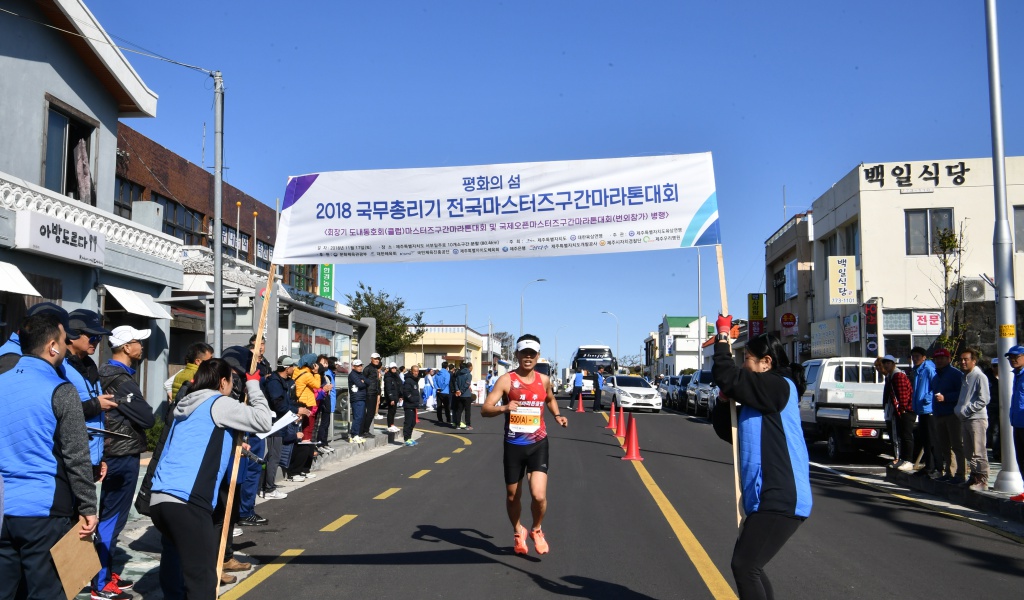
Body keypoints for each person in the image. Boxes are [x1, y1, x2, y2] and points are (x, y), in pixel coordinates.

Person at [149, 358, 272, 600]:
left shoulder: (185, 406)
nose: (232, 387)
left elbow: (197, 441)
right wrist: (253, 386)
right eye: (231, 382)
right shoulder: (219, 402)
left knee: (174, 571)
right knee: (202, 579)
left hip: (161, 498)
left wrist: (233, 444)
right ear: (222, 382)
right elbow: (263, 420)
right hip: (188, 501)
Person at [709, 318, 811, 600]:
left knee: (745, 566)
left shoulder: (779, 386)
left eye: (747, 359)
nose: (743, 365)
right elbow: (728, 431)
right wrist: (723, 401)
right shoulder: (760, 398)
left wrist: (722, 337)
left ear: (766, 363)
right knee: (751, 566)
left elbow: (728, 375)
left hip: (781, 494)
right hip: (765, 495)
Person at [0, 313, 98, 599]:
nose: (67, 346)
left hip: (4, 507)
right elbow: (76, 455)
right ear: (52, 346)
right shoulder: (61, 389)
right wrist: (88, 507)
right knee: (47, 592)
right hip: (44, 509)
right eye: (64, 340)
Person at [481, 334, 567, 556]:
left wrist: (557, 415)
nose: (528, 357)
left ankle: (537, 529)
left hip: (538, 444)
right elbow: (485, 409)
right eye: (524, 353)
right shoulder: (506, 380)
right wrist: (504, 407)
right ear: (517, 355)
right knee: (513, 496)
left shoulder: (544, 380)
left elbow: (550, 399)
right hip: (514, 446)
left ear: (538, 356)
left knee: (539, 495)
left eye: (532, 354)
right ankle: (518, 531)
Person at [95, 326, 156, 599]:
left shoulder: (104, 373)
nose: (142, 346)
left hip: (112, 452)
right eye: (138, 342)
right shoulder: (121, 380)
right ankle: (100, 582)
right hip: (120, 454)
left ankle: (106, 573)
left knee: (111, 516)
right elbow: (148, 418)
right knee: (112, 518)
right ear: (126, 347)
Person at [64, 309, 115, 482]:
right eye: (93, 337)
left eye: (100, 337)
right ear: (72, 336)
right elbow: (56, 411)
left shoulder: (90, 366)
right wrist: (96, 405)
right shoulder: (60, 367)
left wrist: (101, 458)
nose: (97, 341)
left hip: (91, 458)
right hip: (70, 459)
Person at [955, 348, 989, 491]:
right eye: (961, 359)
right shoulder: (965, 376)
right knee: (969, 451)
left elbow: (984, 399)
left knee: (978, 451)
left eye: (966, 359)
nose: (963, 362)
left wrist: (966, 410)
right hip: (965, 419)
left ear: (973, 361)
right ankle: (974, 477)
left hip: (977, 418)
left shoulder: (979, 376)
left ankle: (982, 479)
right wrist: (959, 410)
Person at [262, 356, 297, 500]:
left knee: (273, 456)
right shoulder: (274, 383)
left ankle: (267, 486)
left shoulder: (282, 381)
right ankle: (269, 489)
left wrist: (295, 412)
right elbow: (279, 405)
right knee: (274, 456)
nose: (294, 369)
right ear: (287, 368)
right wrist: (296, 411)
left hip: (279, 423)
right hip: (274, 424)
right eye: (292, 366)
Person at [930, 348, 965, 483]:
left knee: (956, 445)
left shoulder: (955, 374)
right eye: (937, 359)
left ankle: (960, 473)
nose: (939, 361)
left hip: (952, 414)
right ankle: (949, 472)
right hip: (938, 415)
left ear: (949, 359)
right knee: (944, 445)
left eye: (942, 358)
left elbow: (962, 393)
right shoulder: (935, 376)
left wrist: (946, 398)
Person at [879, 355, 914, 471]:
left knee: (905, 436)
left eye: (889, 363)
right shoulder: (890, 376)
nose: (886, 365)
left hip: (904, 410)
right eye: (885, 363)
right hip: (897, 410)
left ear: (894, 364)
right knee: (900, 435)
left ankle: (906, 460)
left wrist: (902, 409)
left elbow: (903, 394)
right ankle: (901, 459)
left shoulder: (898, 375)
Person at [909, 347, 939, 477]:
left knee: (932, 439)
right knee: (925, 439)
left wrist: (928, 398)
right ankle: (928, 466)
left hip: (929, 409)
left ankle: (935, 467)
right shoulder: (917, 370)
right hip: (921, 409)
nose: (915, 359)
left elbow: (936, 386)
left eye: (917, 356)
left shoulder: (928, 369)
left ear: (924, 357)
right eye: (913, 356)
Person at [1006, 345, 1024, 502]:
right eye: (1010, 357)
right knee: (1021, 459)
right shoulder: (1017, 374)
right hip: (1017, 423)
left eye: (1016, 357)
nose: (1013, 360)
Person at [400, 365, 422, 446]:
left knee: (413, 422)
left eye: (417, 371)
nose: (416, 373)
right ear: (411, 371)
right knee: (408, 422)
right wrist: (411, 399)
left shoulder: (414, 380)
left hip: (413, 405)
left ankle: (409, 437)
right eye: (415, 371)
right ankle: (406, 439)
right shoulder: (408, 380)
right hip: (409, 405)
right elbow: (406, 392)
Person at [348, 359, 368, 443]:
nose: (360, 367)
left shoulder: (360, 374)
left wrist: (364, 381)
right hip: (356, 398)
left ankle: (357, 434)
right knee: (358, 417)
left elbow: (368, 381)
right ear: (353, 367)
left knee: (360, 417)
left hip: (362, 397)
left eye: (361, 366)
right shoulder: (352, 374)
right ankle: (354, 435)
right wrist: (363, 382)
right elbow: (360, 384)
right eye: (358, 366)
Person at [453, 360, 474, 430]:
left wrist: (458, 390)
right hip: (466, 395)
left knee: (459, 410)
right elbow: (467, 384)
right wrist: (461, 391)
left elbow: (456, 383)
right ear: (469, 367)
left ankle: (458, 424)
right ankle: (468, 425)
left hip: (459, 395)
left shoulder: (459, 374)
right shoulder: (469, 375)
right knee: (467, 411)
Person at [364, 353, 383, 427]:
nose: (377, 360)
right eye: (375, 359)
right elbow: (363, 380)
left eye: (378, 359)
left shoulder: (375, 369)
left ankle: (366, 430)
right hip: (369, 393)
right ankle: (364, 430)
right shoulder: (367, 368)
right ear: (371, 359)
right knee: (370, 413)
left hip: (374, 392)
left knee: (372, 413)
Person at [382, 362, 402, 433]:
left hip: (396, 395)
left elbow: (399, 386)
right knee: (391, 411)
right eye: (392, 368)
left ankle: (392, 424)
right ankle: (390, 426)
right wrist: (391, 399)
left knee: (393, 411)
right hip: (391, 397)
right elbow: (388, 388)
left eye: (395, 368)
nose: (394, 369)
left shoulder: (396, 376)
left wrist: (400, 395)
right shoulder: (388, 377)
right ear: (390, 369)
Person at [434, 361, 452, 425]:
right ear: (447, 367)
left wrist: (437, 388)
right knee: (447, 407)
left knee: (439, 406)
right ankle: (448, 420)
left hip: (438, 392)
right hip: (445, 392)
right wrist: (442, 388)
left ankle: (440, 419)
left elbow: (434, 381)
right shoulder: (447, 373)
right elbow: (446, 382)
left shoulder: (437, 373)